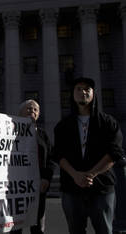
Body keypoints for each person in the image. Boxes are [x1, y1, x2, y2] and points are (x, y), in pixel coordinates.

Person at [53, 77, 123, 234]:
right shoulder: (63, 125)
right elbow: (58, 154)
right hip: (71, 188)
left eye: (87, 89)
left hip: (102, 188)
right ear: (72, 94)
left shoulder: (108, 122)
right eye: (78, 89)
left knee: (105, 229)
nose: (82, 92)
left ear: (93, 94)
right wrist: (75, 175)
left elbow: (115, 152)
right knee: (75, 230)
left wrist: (92, 173)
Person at [10, 100, 55, 234]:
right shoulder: (10, 133)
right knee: (15, 227)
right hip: (16, 188)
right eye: (29, 109)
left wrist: (47, 178)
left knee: (37, 226)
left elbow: (51, 158)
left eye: (35, 110)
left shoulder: (42, 134)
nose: (32, 112)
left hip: (38, 186)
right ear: (20, 113)